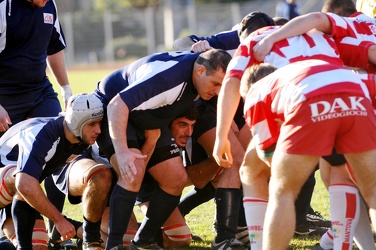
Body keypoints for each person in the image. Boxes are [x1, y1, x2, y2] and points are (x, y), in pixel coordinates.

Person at [91, 49, 232, 250]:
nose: (218, 91)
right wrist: (122, 152)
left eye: (223, 85)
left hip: (150, 119)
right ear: (200, 71)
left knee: (176, 178)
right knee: (132, 173)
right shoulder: (168, 80)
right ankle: (113, 246)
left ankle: (143, 241)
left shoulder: (200, 70)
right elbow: (117, 105)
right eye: (216, 84)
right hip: (117, 111)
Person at [239, 60, 376, 250]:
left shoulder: (256, 92)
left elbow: (267, 160)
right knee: (372, 190)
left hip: (310, 100)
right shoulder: (294, 72)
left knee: (282, 190)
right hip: (354, 93)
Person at [0, 93, 103, 250]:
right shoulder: (43, 135)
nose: (98, 130)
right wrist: (59, 220)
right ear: (76, 122)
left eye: (100, 123)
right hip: (9, 180)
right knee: (22, 178)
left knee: (39, 245)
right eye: (92, 124)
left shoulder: (78, 139)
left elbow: (49, 179)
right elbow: (25, 185)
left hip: (16, 194)